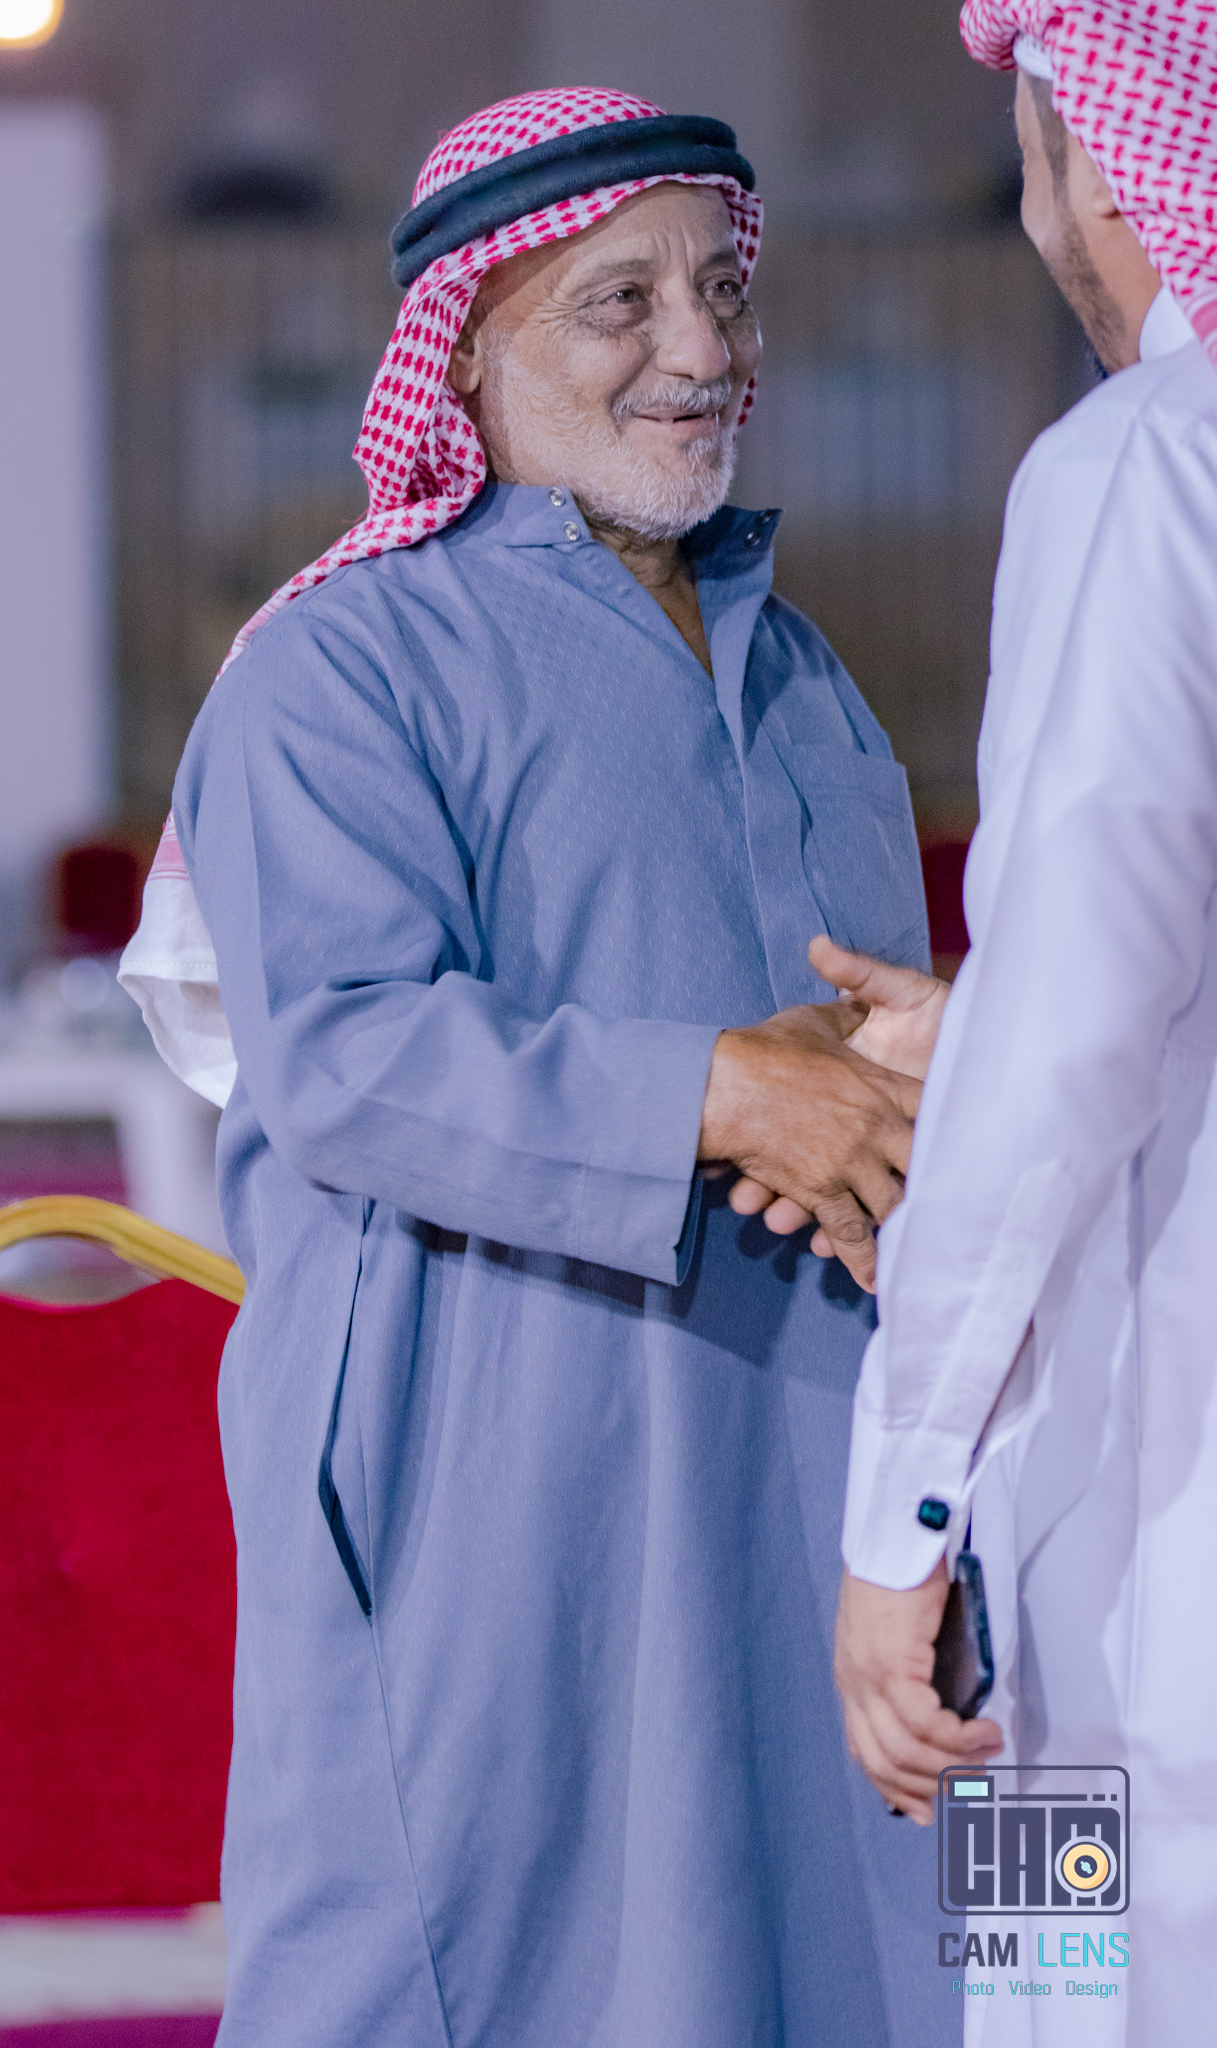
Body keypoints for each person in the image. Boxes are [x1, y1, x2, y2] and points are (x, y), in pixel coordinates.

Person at [121, 88, 955, 2047]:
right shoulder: (339, 667)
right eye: (620, 301)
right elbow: (342, 1054)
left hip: (817, 1466)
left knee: (860, 1942)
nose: (698, 346)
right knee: (492, 1956)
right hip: (504, 1485)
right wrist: (723, 1092)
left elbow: (869, 1040)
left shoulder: (802, 673)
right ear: (469, 350)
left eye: (720, 289)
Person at [832, 4, 1217, 2037]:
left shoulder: (1143, 464)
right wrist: (981, 1029)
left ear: (1102, 169)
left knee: (1065, 1988)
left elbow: (1074, 1036)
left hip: (1136, 1542)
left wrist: (899, 1512)